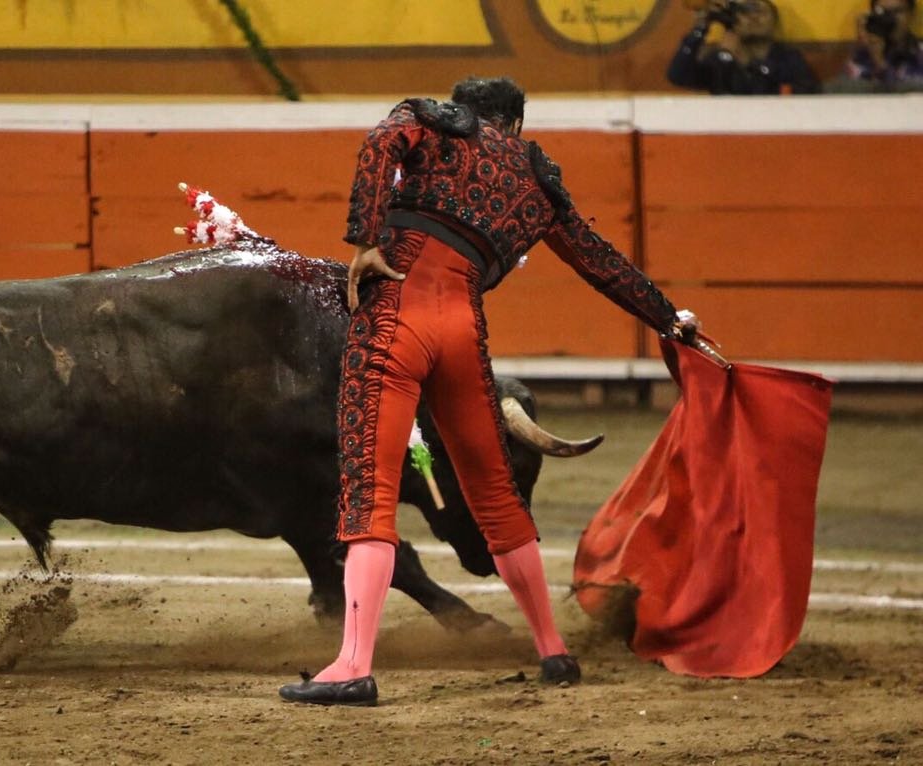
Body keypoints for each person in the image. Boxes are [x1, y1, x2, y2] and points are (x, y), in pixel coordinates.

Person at [278, 77, 700, 707]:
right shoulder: (537, 180)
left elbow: (380, 143)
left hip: (394, 316)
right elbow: (599, 261)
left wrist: (364, 240)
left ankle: (353, 666)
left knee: (371, 491)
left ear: (464, 110)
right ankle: (553, 650)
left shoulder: (433, 122)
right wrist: (670, 320)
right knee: (496, 497)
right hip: (462, 332)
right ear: (518, 124)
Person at [667, 0, 819, 94]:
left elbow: (806, 94)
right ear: (735, 23)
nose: (753, 17)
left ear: (774, 23)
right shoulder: (720, 61)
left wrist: (751, 64)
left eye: (760, 12)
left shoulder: (788, 59)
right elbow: (678, 76)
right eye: (745, 13)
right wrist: (700, 29)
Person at [830, 0, 923, 92]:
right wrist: (864, 45)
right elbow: (840, 93)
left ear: (911, 14)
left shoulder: (919, 54)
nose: (891, 19)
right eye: (884, 12)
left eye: (897, 12)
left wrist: (881, 64)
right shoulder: (861, 57)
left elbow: (909, 94)